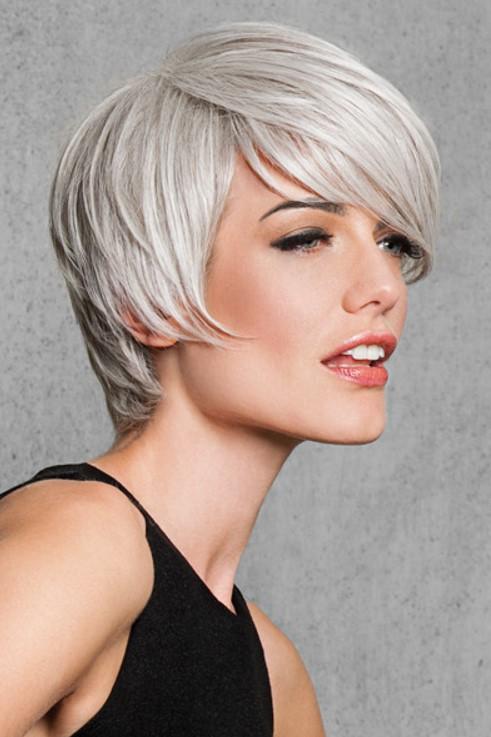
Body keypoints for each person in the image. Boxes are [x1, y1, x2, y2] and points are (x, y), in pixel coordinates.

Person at [0, 19, 440, 737]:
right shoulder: (83, 544)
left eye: (392, 241)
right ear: (150, 299)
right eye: (305, 238)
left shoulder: (273, 672)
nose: (384, 286)